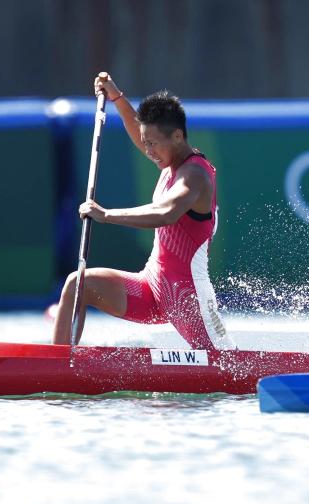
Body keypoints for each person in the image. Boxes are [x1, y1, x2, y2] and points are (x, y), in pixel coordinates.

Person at [51, 72, 236, 350]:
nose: (147, 151)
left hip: (187, 296)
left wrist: (107, 215)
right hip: (150, 288)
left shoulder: (195, 176)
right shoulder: (168, 158)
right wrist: (116, 97)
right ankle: (59, 364)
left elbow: (166, 213)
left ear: (176, 136)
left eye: (152, 143)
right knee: (78, 283)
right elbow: (138, 127)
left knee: (227, 368)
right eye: (144, 142)